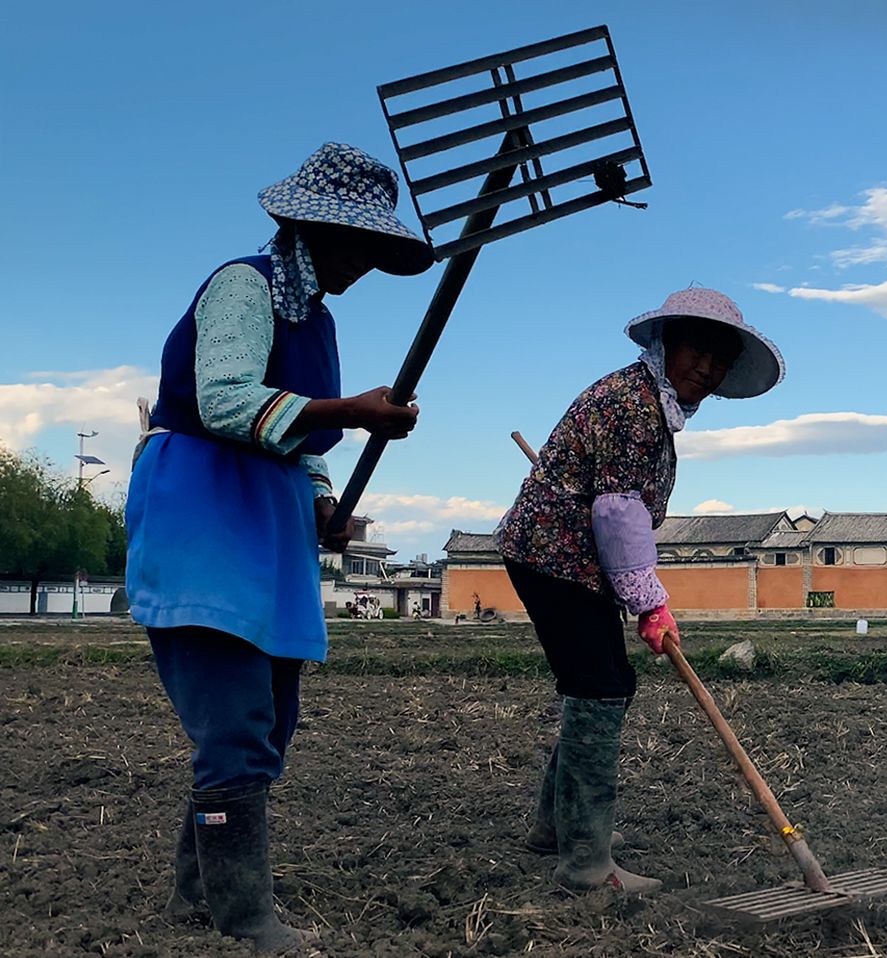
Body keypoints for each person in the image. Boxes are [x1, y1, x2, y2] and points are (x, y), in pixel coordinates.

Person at [126, 143, 432, 951]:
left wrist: (327, 504)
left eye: (373, 248)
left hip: (268, 523)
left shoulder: (316, 320)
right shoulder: (243, 285)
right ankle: (242, 914)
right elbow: (225, 400)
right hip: (205, 511)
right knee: (232, 719)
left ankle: (204, 891)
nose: (362, 262)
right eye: (353, 242)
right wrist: (352, 411)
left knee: (267, 718)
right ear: (303, 227)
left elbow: (305, 442)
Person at [495, 287, 784, 892]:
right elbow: (620, 514)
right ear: (667, 343)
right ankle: (586, 864)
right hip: (556, 558)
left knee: (601, 686)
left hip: (573, 559)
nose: (706, 370)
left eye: (719, 361)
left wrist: (640, 593)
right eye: (698, 352)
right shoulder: (635, 406)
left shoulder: (646, 401)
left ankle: (559, 826)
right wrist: (651, 603)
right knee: (600, 687)